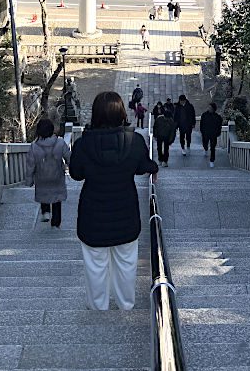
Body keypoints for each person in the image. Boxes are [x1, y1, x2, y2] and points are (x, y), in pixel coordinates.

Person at [70, 91, 158, 310]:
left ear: (96, 115)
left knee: (95, 265)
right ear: (121, 112)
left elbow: (76, 173)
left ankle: (98, 307)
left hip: (93, 215)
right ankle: (126, 305)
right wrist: (153, 168)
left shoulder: (83, 144)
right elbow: (142, 166)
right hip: (125, 212)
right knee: (126, 263)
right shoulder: (134, 140)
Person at [25, 118, 71, 227]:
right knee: (57, 198)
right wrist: (72, 168)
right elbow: (69, 157)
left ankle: (45, 211)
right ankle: (56, 221)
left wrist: (29, 180)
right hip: (57, 176)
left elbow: (30, 164)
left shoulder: (34, 146)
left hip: (41, 177)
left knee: (44, 193)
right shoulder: (60, 142)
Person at [200, 102, 223, 168]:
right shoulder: (204, 115)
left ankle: (212, 161)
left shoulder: (217, 117)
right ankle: (205, 149)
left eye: (210, 108)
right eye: (208, 107)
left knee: (213, 147)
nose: (209, 109)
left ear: (213, 109)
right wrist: (202, 131)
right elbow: (202, 124)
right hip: (205, 133)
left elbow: (219, 126)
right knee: (205, 143)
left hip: (213, 134)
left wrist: (218, 133)